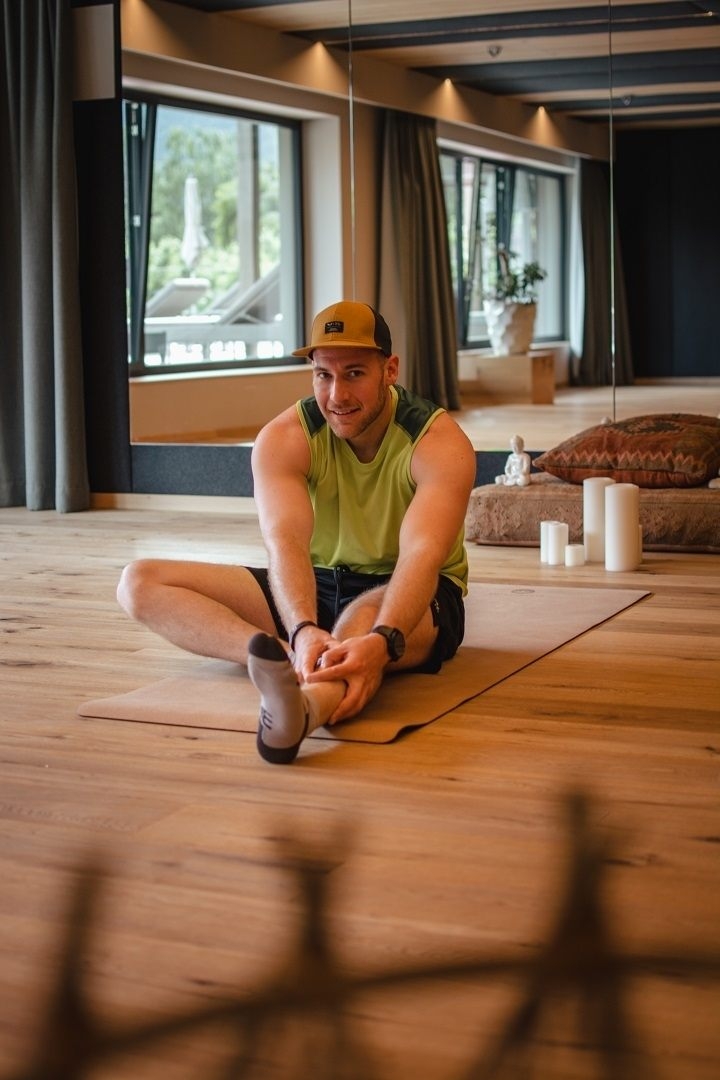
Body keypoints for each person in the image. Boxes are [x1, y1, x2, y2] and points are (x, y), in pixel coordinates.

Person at [117, 300, 477, 764]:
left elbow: (421, 556)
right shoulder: (285, 437)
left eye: (354, 374)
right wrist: (304, 630)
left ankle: (304, 710)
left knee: (356, 626)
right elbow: (285, 544)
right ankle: (287, 662)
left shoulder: (438, 442)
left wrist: (382, 641)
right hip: (317, 582)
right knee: (139, 582)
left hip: (412, 592)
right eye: (323, 375)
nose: (337, 395)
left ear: (390, 370)